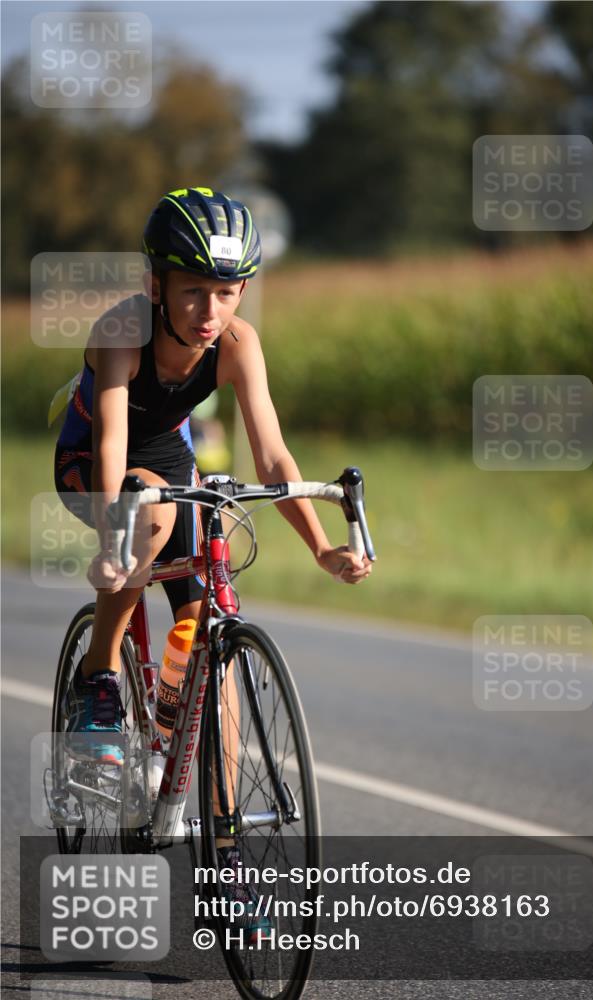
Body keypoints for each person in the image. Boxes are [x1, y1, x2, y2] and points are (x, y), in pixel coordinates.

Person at [54, 185, 373, 767]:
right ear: (157, 286)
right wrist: (110, 539)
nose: (210, 312)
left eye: (226, 293)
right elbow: (111, 444)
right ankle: (96, 677)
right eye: (194, 291)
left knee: (207, 625)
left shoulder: (238, 342)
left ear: (244, 291)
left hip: (173, 462)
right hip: (94, 461)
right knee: (149, 512)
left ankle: (222, 839)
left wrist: (322, 548)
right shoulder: (123, 330)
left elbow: (272, 458)